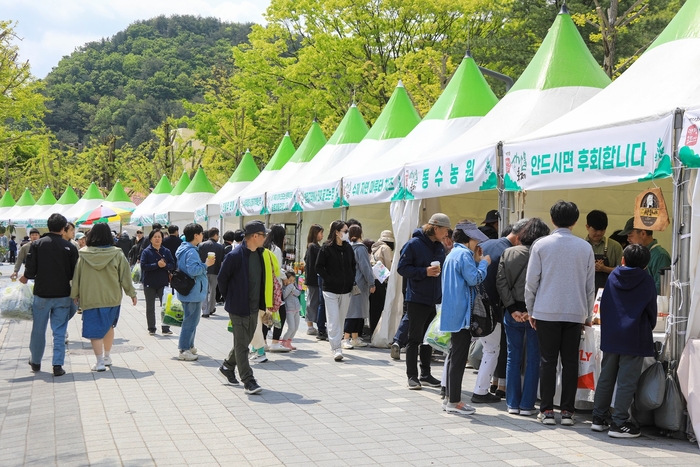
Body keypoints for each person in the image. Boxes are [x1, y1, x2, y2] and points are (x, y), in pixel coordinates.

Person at [525, 201, 595, 426]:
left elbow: (531, 282)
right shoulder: (585, 247)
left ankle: (546, 410)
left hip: (545, 311)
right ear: (575, 221)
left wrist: (530, 309)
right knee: (570, 363)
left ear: (552, 219)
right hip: (575, 312)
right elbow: (589, 286)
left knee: (547, 361)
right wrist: (588, 315)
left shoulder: (540, 245)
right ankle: (567, 411)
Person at [591, 244, 657, 438]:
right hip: (635, 335)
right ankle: (619, 423)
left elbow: (606, 304)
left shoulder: (613, 276)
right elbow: (651, 311)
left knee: (606, 376)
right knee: (627, 381)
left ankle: (598, 417)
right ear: (645, 264)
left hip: (611, 333)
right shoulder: (646, 280)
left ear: (623, 260)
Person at [217, 220, 279, 395]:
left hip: (255, 306)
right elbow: (222, 280)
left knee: (243, 341)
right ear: (254, 236)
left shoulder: (261, 254)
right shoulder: (235, 256)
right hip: (238, 307)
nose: (266, 237)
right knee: (243, 345)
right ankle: (248, 381)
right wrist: (231, 297)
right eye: (263, 234)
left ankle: (227, 367)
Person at [471, 219, 529, 404]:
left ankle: (448, 387)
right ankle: (482, 390)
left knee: (459, 347)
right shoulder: (510, 252)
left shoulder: (486, 244)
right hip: (493, 308)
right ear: (520, 237)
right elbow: (502, 284)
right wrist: (511, 307)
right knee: (495, 349)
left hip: (472, 305)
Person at [497, 218, 550, 416]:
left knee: (513, 357)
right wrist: (531, 311)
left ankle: (511, 403)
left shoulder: (509, 252)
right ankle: (527, 405)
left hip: (513, 313)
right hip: (536, 313)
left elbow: (501, 283)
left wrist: (512, 309)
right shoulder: (545, 254)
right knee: (534, 358)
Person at [71, 223, 137, 371]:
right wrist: (131, 293)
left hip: (90, 297)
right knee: (108, 326)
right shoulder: (118, 254)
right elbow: (125, 277)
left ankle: (99, 361)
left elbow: (77, 277)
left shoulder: (83, 254)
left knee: (95, 330)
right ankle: (107, 356)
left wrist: (75, 294)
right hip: (112, 297)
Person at [440, 221, 490, 415]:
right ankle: (455, 402)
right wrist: (484, 263)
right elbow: (475, 279)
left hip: (453, 312)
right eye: (475, 238)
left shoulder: (453, 253)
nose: (477, 242)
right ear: (468, 238)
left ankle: (449, 399)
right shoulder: (464, 254)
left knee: (454, 356)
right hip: (462, 314)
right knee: (459, 358)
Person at [22, 213, 79, 377]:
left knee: (38, 329)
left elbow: (31, 271)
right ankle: (57, 365)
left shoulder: (37, 244)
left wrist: (25, 277)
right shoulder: (70, 247)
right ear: (63, 229)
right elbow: (74, 273)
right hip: (62, 295)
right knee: (60, 331)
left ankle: (36, 362)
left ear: (48, 227)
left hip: (42, 294)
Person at [397, 213, 450, 390]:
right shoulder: (413, 244)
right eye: (445, 230)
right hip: (417, 299)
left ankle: (425, 374)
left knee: (429, 339)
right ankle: (412, 376)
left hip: (435, 299)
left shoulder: (440, 246)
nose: (447, 234)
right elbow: (402, 268)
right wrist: (424, 271)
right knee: (414, 338)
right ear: (436, 228)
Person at [315, 220, 356, 361]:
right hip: (330, 289)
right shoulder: (326, 248)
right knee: (333, 319)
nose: (347, 233)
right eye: (345, 231)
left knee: (341, 318)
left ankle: (337, 343)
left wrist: (351, 279)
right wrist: (329, 278)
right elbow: (319, 266)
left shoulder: (348, 248)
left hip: (346, 289)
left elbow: (353, 265)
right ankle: (336, 347)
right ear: (337, 232)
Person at [174, 223, 215, 361]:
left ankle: (189, 346)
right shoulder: (191, 251)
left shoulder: (184, 248)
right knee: (190, 321)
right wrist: (206, 265)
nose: (203, 236)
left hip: (189, 290)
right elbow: (193, 271)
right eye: (201, 233)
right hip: (193, 291)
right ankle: (184, 349)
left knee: (191, 320)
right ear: (196, 235)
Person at [343, 225, 375, 349]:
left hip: (349, 283)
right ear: (361, 234)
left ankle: (354, 337)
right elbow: (365, 267)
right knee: (355, 311)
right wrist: (371, 283)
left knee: (355, 311)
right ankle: (346, 338)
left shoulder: (347, 247)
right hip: (359, 284)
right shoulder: (361, 248)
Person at [619, 217, 671, 294]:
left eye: (630, 235)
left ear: (643, 234)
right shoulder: (638, 254)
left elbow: (661, 288)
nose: (628, 239)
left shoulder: (660, 256)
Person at [140, 229, 176, 335]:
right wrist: (156, 265)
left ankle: (166, 328)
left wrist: (165, 266)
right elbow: (143, 266)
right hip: (149, 283)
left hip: (163, 282)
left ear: (162, 238)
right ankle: (151, 327)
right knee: (150, 307)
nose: (157, 239)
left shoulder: (166, 251)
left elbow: (172, 265)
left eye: (159, 237)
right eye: (155, 237)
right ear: (151, 239)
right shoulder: (146, 251)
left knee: (165, 305)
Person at [264, 225, 290, 353]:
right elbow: (277, 269)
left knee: (265, 314)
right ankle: (274, 342)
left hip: (264, 286)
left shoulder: (264, 247)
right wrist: (286, 275)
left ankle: (263, 342)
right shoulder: (276, 249)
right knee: (281, 313)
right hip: (275, 287)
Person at [584, 210, 623, 291]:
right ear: (587, 227)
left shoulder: (615, 246)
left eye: (602, 230)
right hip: (585, 291)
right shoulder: (581, 246)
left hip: (609, 291)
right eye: (595, 230)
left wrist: (604, 268)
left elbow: (622, 271)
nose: (598, 233)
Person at [370, 230, 394, 336]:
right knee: (381, 308)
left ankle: (372, 331)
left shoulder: (375, 248)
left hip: (374, 280)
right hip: (382, 280)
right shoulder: (386, 248)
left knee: (374, 308)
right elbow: (389, 265)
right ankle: (378, 333)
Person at [198, 227, 224, 318]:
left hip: (203, 270)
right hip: (215, 271)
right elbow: (221, 261)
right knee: (213, 291)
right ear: (215, 235)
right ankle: (211, 308)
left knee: (204, 290)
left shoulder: (201, 245)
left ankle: (205, 311)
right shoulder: (220, 247)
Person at [304, 224, 324, 337]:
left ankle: (311, 326)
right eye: (321, 233)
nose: (322, 235)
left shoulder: (313, 246)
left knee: (313, 302)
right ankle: (310, 326)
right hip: (313, 280)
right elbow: (313, 265)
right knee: (312, 302)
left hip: (313, 279)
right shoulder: (313, 247)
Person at [281, 271, 302, 350]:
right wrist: (290, 287)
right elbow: (284, 296)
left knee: (296, 328)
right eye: (290, 280)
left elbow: (298, 293)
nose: (291, 282)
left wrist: (292, 288)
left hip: (296, 309)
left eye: (293, 281)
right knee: (291, 327)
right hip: (289, 310)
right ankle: (283, 341)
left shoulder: (293, 286)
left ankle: (289, 342)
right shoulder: (283, 287)